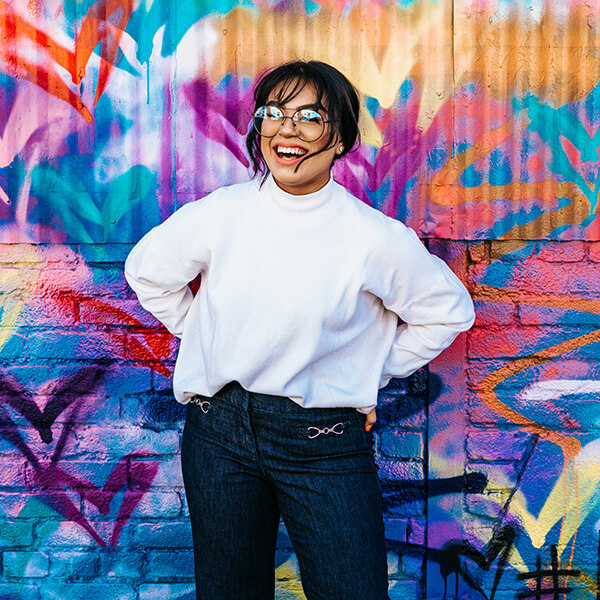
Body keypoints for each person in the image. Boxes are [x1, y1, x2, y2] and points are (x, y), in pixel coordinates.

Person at [124, 60, 475, 600]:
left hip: (325, 443)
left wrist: (371, 370)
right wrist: (200, 333)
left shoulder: (372, 237)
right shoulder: (222, 214)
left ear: (340, 139)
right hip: (218, 435)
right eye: (274, 113)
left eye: (310, 117)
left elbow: (448, 311)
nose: (287, 129)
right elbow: (148, 272)